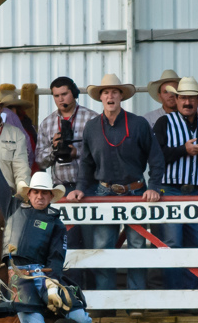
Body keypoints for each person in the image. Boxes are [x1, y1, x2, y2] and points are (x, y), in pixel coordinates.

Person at [0, 120, 106, 323]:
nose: (39, 196)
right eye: (36, 192)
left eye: (44, 193)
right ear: (30, 194)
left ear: (50, 197)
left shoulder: (56, 224)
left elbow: (57, 259)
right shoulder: (13, 208)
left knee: (82, 319)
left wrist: (52, 282)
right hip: (20, 276)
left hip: (46, 276)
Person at [67, 74, 164, 298]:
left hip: (137, 191)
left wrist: (154, 186)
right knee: (103, 247)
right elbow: (87, 162)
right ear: (100, 98)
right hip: (103, 192)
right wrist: (80, 186)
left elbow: (156, 159)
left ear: (121, 96)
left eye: (114, 92)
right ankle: (106, 301)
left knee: (137, 246)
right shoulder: (91, 127)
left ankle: (136, 301)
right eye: (106, 92)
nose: (110, 96)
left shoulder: (139, 124)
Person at [153, 77, 198, 290]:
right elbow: (156, 157)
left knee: (196, 244)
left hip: (197, 191)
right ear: (175, 100)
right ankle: (175, 296)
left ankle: (192, 295)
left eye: (191, 98)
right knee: (173, 244)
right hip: (170, 190)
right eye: (183, 98)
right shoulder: (164, 122)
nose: (187, 102)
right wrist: (181, 150)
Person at [36, 77, 98, 288]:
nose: (61, 99)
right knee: (67, 242)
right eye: (56, 95)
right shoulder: (47, 123)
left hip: (89, 187)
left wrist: (76, 152)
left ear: (74, 93)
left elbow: (100, 155)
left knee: (93, 244)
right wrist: (55, 149)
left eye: (64, 94)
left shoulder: (92, 118)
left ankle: (96, 294)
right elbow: (40, 160)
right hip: (60, 188)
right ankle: (73, 291)